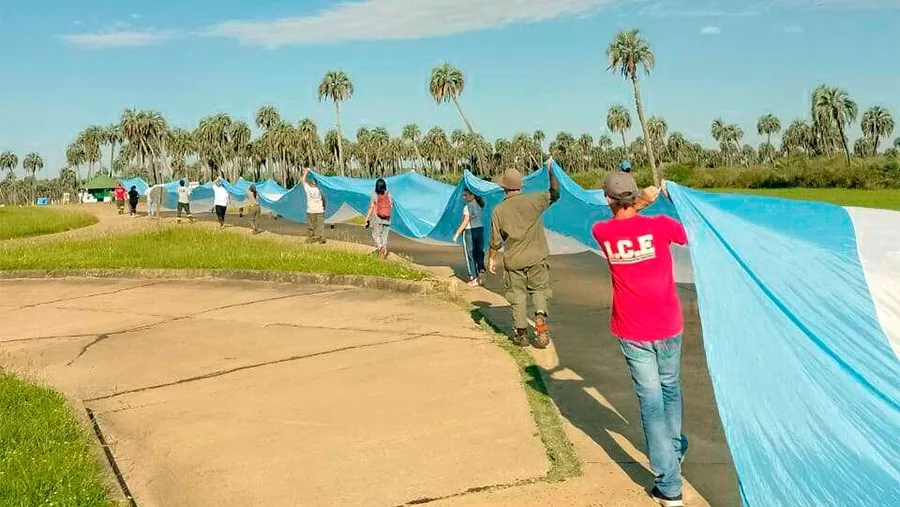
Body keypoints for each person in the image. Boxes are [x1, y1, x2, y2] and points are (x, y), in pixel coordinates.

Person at [590, 171, 686, 507]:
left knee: (652, 403)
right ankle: (674, 455)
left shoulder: (602, 232)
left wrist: (643, 199)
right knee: (670, 389)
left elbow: (621, 219)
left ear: (607, 200)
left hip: (632, 330)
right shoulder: (659, 226)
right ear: (634, 197)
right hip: (669, 324)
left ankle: (669, 484)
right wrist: (662, 198)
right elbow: (691, 235)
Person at [488, 158, 560, 349]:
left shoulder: (498, 210)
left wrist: (491, 259)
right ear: (520, 186)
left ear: (504, 187)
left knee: (517, 296)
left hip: (514, 261)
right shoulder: (535, 200)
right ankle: (540, 320)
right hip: (537, 257)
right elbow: (555, 193)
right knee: (539, 291)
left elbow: (495, 240)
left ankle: (521, 335)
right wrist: (552, 170)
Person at [452, 188, 486, 286]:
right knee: (479, 252)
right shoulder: (479, 204)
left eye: (466, 195)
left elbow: (465, 222)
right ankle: (481, 270)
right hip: (479, 229)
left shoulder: (467, 207)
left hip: (469, 231)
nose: (464, 197)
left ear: (472, 195)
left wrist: (457, 234)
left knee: (469, 254)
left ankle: (473, 278)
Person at [364, 178, 392, 259]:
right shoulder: (389, 195)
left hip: (377, 219)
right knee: (384, 236)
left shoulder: (374, 194)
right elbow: (391, 205)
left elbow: (371, 207)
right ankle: (384, 249)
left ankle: (380, 248)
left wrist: (367, 218)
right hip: (387, 219)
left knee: (376, 234)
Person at [301, 168, 327, 244]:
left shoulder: (308, 189)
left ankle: (310, 239)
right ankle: (322, 239)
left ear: (311, 183)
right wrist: (323, 208)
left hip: (311, 210)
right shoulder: (319, 190)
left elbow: (302, 181)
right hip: (319, 210)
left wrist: (305, 172)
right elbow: (324, 199)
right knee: (320, 226)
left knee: (310, 226)